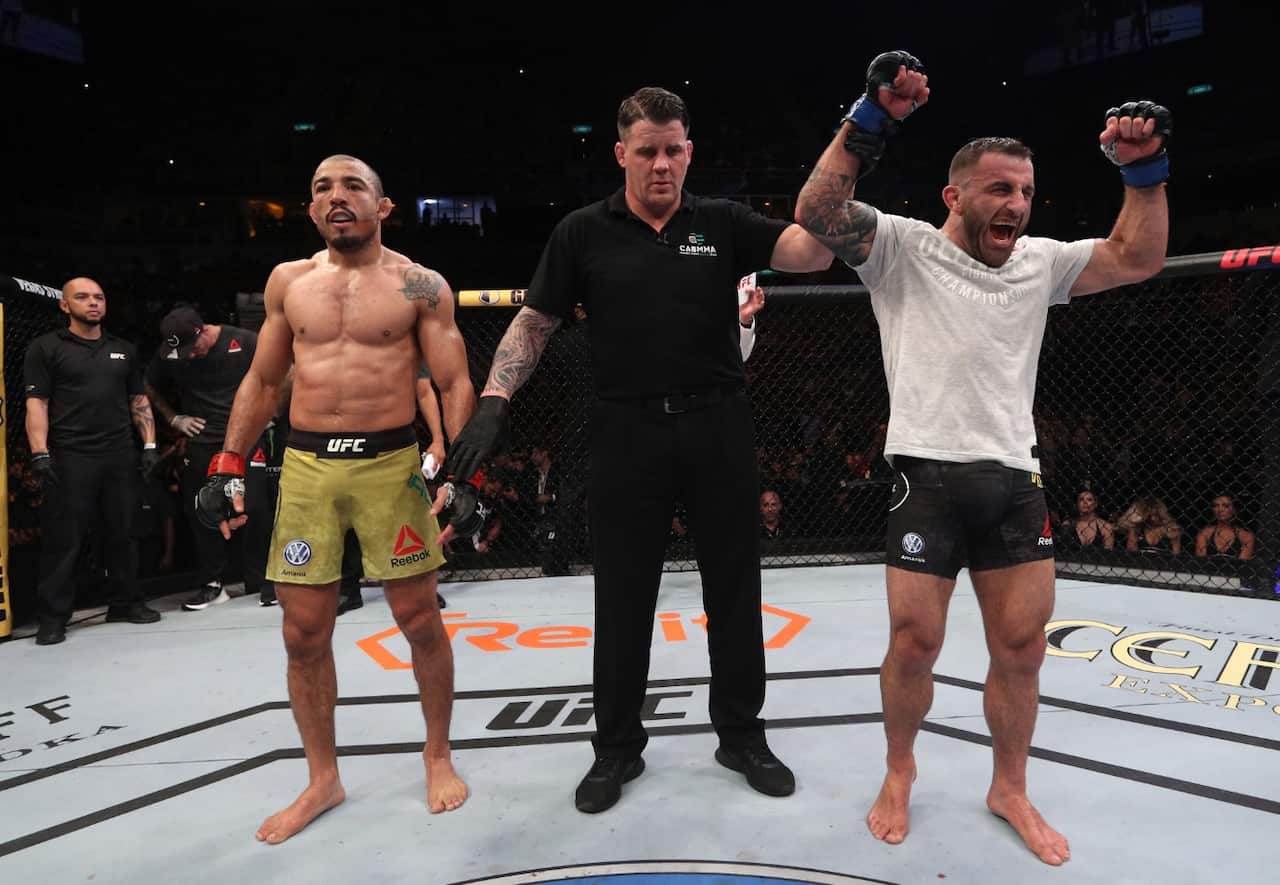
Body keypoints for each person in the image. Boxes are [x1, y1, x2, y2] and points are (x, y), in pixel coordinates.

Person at [792, 51, 1169, 865]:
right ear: (953, 196)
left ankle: (1009, 785)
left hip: (1014, 479)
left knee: (1023, 648)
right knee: (914, 642)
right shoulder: (901, 249)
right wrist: (872, 117)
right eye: (1000, 189)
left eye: (1027, 191)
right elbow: (820, 211)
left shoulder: (1042, 263)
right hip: (925, 476)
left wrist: (1145, 172)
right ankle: (899, 769)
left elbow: (1137, 256)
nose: (1018, 205)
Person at [443, 86, 833, 814]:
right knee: (623, 594)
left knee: (735, 589)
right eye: (647, 150)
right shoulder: (583, 231)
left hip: (717, 422)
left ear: (691, 152)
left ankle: (742, 733)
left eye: (674, 149)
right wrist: (495, 400)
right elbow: (534, 321)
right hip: (624, 428)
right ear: (622, 152)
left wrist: (854, 150)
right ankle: (617, 748)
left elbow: (809, 252)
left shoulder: (721, 220)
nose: (661, 164)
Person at [196, 154, 480, 844]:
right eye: (322, 187)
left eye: (353, 185)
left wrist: (466, 474)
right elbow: (264, 380)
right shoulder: (288, 282)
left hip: (391, 467)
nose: (336, 196)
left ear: (384, 207)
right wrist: (228, 460)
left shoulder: (420, 283)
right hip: (308, 470)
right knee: (302, 632)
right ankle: (322, 777)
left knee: (418, 618)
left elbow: (453, 381)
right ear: (312, 209)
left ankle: (436, 752)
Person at [23, 276, 163, 645]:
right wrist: (40, 452)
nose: (93, 303)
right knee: (64, 538)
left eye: (99, 297)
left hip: (118, 452)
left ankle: (126, 602)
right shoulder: (46, 348)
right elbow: (37, 403)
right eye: (82, 297)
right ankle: (53, 617)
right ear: (65, 305)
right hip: (70, 454)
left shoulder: (123, 349)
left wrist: (149, 445)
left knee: (124, 531)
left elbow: (138, 399)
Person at [146, 305, 274, 608]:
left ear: (203, 330)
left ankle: (265, 580)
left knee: (255, 506)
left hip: (246, 436)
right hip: (202, 438)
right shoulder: (173, 354)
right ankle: (213, 584)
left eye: (193, 347)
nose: (189, 355)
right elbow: (147, 385)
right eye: (183, 352)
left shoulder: (244, 341)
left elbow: (278, 374)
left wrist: (269, 410)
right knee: (203, 509)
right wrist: (174, 418)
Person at [1195, 494, 1256, 560]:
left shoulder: (1246, 536)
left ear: (1234, 509)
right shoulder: (1205, 533)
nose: (1220, 509)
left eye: (1226, 506)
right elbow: (1200, 562)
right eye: (1216, 505)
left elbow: (1242, 564)